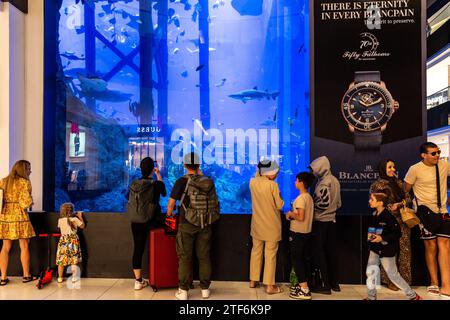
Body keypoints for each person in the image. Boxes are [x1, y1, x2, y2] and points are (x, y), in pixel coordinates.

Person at [166, 152, 219, 300]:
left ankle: (183, 291)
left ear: (184, 165)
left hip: (186, 224)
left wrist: (169, 215)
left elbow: (171, 204)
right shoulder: (208, 181)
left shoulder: (180, 181)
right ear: (199, 165)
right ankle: (205, 290)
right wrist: (200, 173)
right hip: (205, 223)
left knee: (184, 257)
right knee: (204, 256)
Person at [404, 142, 450, 299]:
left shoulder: (444, 165)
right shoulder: (415, 169)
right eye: (433, 153)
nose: (437, 155)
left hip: (443, 212)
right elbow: (406, 189)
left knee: (445, 246)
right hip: (425, 214)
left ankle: (446, 285)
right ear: (423, 155)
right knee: (430, 247)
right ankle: (434, 282)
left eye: (438, 152)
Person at [364, 193, 421, 300]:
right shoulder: (374, 214)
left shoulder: (389, 217)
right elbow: (373, 231)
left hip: (387, 250)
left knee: (393, 275)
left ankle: (413, 296)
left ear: (380, 203)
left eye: (372, 199)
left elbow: (397, 233)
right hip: (375, 249)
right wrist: (371, 240)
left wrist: (382, 238)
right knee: (371, 273)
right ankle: (371, 297)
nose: (369, 201)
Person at [369, 160, 411, 291]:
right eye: (389, 167)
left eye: (394, 166)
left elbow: (408, 199)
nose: (393, 169)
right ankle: (389, 280)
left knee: (405, 251)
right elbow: (376, 203)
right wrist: (391, 206)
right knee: (387, 251)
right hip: (385, 222)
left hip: (403, 221)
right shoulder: (377, 185)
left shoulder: (398, 183)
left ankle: (404, 280)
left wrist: (400, 204)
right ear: (383, 169)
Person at [127, 157, 166, 290]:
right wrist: (158, 174)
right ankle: (160, 276)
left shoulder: (134, 184)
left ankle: (138, 281)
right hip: (152, 222)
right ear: (152, 169)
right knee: (159, 246)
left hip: (136, 221)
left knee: (138, 249)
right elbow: (164, 192)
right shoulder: (155, 184)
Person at [249, 159, 284, 294]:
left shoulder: (253, 182)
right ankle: (269, 286)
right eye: (276, 172)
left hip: (257, 224)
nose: (277, 175)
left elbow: (257, 176)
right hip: (271, 225)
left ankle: (253, 280)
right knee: (270, 254)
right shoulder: (273, 186)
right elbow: (279, 205)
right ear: (269, 172)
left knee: (256, 251)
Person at [309, 156, 341, 294]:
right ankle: (334, 283)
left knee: (318, 252)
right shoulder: (335, 181)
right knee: (331, 253)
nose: (312, 172)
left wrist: (312, 208)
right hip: (332, 221)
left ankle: (324, 284)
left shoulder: (323, 183)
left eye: (313, 169)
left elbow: (323, 203)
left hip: (321, 223)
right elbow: (339, 203)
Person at [0, 160, 36, 286]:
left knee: (5, 248)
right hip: (20, 216)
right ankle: (26, 276)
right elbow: (25, 203)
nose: (30, 171)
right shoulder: (24, 182)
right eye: (29, 169)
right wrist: (31, 201)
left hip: (5, 217)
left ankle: (3, 277)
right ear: (23, 170)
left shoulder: (3, 181)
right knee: (24, 246)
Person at [286, 172, 315, 300]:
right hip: (306, 233)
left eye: (296, 180)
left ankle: (304, 289)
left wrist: (290, 214)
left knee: (297, 261)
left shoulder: (301, 199)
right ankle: (303, 286)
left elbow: (300, 217)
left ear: (301, 182)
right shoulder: (308, 197)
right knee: (302, 259)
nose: (295, 182)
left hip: (297, 233)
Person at [56, 203, 85, 283]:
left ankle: (60, 277)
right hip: (73, 241)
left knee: (61, 261)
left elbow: (60, 227)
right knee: (73, 260)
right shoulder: (74, 219)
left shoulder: (60, 220)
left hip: (63, 241)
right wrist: (80, 216)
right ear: (72, 211)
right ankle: (74, 278)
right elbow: (82, 226)